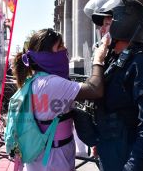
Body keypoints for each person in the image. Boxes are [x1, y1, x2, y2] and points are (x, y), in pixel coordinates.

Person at [87, 0, 143, 171]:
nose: (102, 30)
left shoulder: (142, 64)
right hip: (110, 156)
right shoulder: (114, 63)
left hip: (127, 161)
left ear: (125, 25)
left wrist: (132, 167)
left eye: (107, 24)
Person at [12, 28, 109, 171]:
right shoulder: (51, 84)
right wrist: (98, 59)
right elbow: (95, 89)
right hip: (53, 160)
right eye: (60, 46)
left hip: (44, 157)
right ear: (46, 55)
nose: (65, 49)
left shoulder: (35, 80)